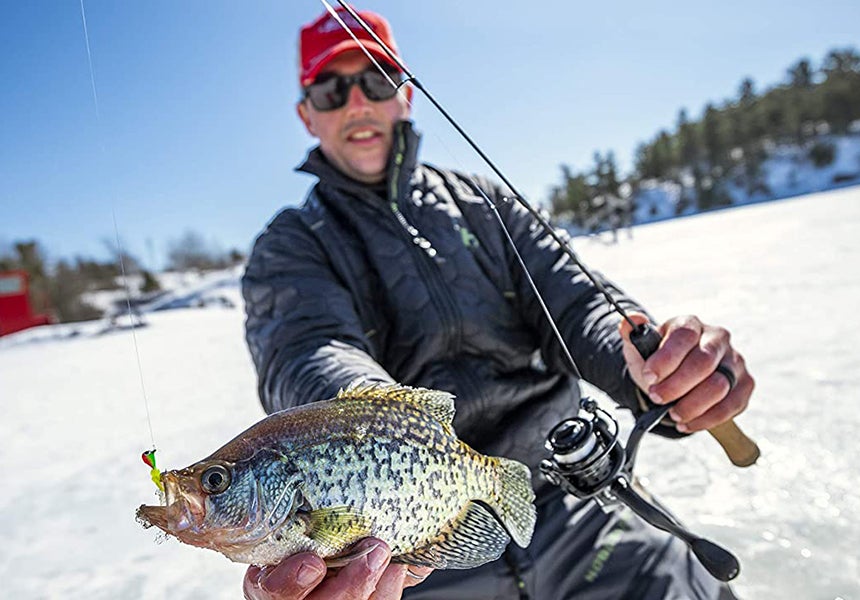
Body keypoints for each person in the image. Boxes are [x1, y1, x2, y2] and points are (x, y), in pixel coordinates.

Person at [241, 7, 753, 600]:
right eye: (332, 89)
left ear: (404, 94)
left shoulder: (484, 201)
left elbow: (574, 300)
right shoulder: (290, 245)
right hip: (413, 543)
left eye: (376, 79)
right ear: (307, 115)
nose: (357, 103)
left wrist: (660, 372)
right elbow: (306, 350)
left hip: (569, 496)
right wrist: (378, 422)